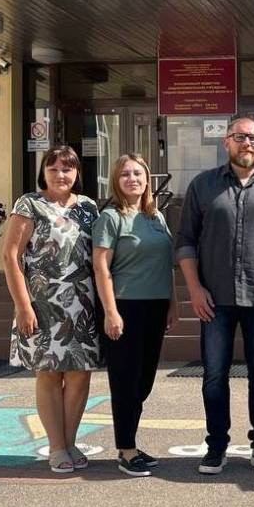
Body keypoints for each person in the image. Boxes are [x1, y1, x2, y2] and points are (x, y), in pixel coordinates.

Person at [176, 115, 254, 476]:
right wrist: (194, 289)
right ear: (226, 142)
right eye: (240, 136)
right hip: (213, 300)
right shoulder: (202, 186)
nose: (247, 143)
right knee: (214, 376)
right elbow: (185, 241)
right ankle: (216, 446)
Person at [2, 145, 102, 473]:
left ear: (77, 173)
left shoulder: (88, 207)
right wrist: (23, 305)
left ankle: (70, 442)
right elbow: (11, 256)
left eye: (67, 168)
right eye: (54, 168)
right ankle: (56, 446)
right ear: (43, 172)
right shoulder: (29, 204)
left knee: (79, 374)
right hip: (42, 304)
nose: (61, 174)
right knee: (48, 374)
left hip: (81, 304)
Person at [93, 153, 179, 477]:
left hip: (155, 305)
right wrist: (110, 312)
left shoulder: (156, 216)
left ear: (147, 180)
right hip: (124, 306)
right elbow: (101, 267)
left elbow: (167, 264)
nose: (133, 179)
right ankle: (126, 450)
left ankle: (129, 441)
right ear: (117, 180)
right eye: (126, 174)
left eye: (138, 174)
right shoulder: (111, 217)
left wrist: (173, 303)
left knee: (143, 381)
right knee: (125, 381)